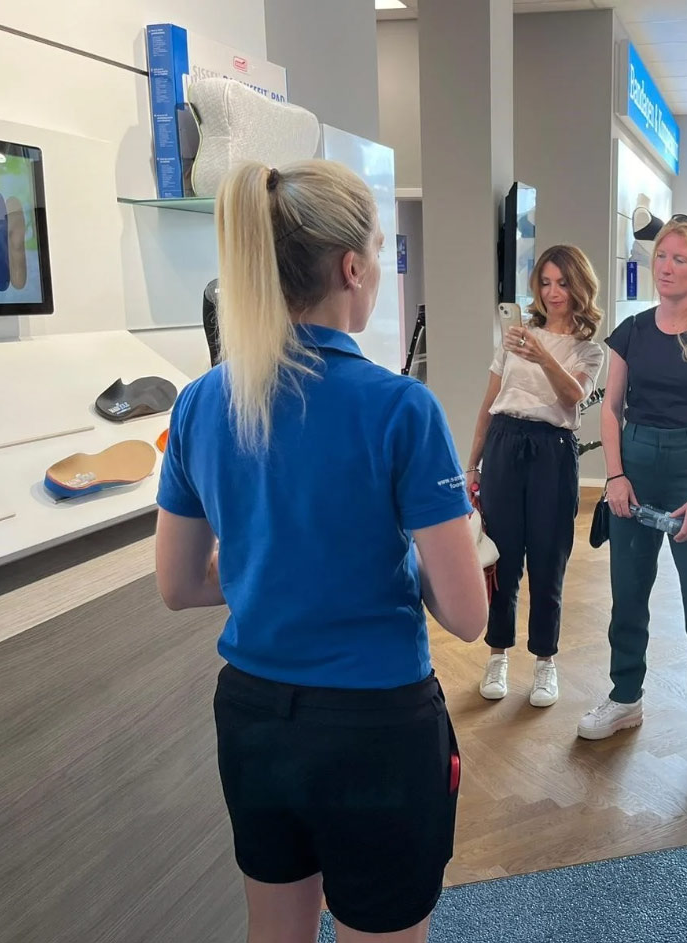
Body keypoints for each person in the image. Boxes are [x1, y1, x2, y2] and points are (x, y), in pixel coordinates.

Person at [153, 160, 488, 943]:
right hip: (375, 728)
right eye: (376, 250)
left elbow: (177, 583)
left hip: (253, 716)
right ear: (352, 269)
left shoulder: (203, 400)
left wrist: (275, 573)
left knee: (274, 933)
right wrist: (392, 564)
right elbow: (468, 613)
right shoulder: (403, 407)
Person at [576, 213, 687, 770]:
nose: (666, 268)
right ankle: (625, 698)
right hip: (637, 466)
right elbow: (611, 407)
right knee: (628, 593)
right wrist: (615, 478)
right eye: (661, 258)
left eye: (679, 259)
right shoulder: (631, 331)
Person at [465, 245, 605, 707]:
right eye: (545, 283)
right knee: (502, 557)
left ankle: (545, 662)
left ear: (578, 286)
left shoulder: (588, 349)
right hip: (505, 443)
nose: (552, 292)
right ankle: (497, 654)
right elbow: (489, 402)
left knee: (549, 558)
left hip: (553, 451)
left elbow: (572, 398)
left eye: (562, 283)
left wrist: (543, 353)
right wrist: (472, 465)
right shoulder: (512, 338)